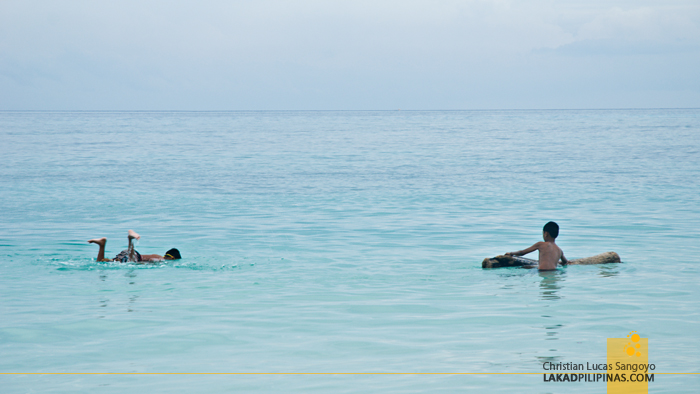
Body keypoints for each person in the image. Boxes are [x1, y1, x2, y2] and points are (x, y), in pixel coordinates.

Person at [88, 230, 181, 263]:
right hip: (134, 255)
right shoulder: (161, 259)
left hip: (127, 253)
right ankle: (130, 239)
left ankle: (102, 245)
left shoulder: (157, 254)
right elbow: (152, 260)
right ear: (173, 258)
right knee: (131, 264)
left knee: (102, 262)